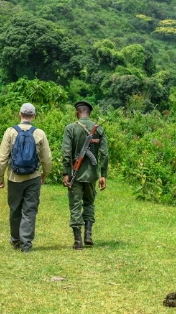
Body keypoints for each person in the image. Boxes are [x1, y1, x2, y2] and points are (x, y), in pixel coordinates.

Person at [0, 103, 52, 253]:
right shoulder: (40, 133)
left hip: (14, 177)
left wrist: (0, 178)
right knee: (30, 210)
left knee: (15, 209)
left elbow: (2, 159)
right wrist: (44, 175)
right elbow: (47, 160)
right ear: (33, 116)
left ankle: (15, 241)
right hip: (33, 177)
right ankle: (26, 244)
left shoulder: (10, 132)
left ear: (20, 114)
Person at [61, 101, 108, 250]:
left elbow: (66, 153)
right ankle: (88, 234)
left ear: (77, 113)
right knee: (89, 203)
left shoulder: (71, 128)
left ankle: (78, 241)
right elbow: (104, 154)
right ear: (89, 113)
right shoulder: (99, 129)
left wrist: (66, 173)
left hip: (76, 175)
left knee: (75, 205)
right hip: (92, 175)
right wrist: (103, 174)